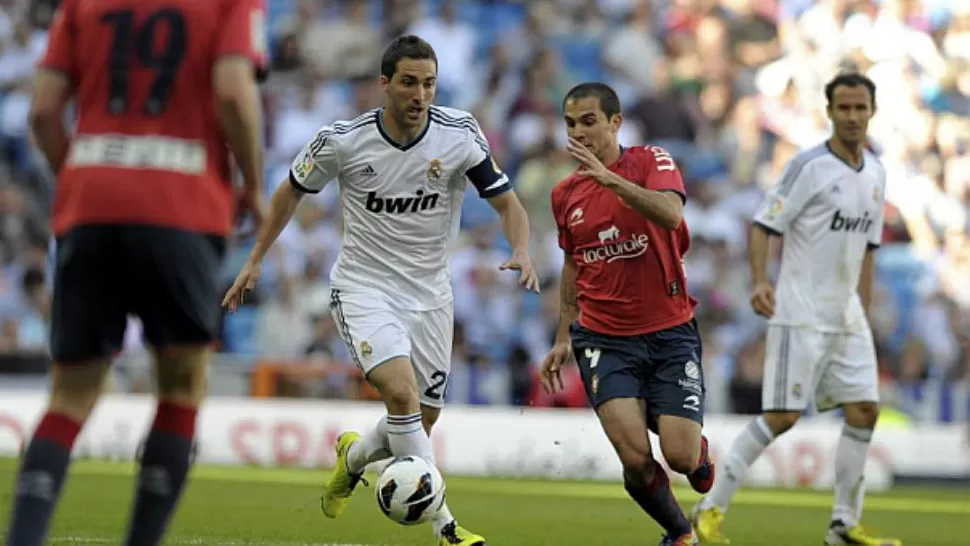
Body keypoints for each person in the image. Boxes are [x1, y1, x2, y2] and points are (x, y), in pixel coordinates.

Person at [222, 34, 538, 546]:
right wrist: (255, 258)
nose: (420, 95)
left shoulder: (460, 134)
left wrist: (521, 248)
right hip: (364, 286)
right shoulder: (343, 140)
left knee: (419, 417)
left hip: (431, 295)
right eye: (409, 83)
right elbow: (289, 192)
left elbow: (507, 202)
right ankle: (447, 528)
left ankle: (352, 458)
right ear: (384, 84)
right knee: (402, 393)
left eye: (429, 84)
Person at [4, 0, 268, 545]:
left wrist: (84, 180)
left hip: (91, 200)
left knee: (70, 394)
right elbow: (233, 90)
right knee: (181, 383)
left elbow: (43, 112)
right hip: (184, 200)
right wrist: (253, 184)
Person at [691, 73, 901, 546]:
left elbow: (867, 251)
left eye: (859, 108)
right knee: (783, 416)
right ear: (830, 112)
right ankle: (709, 509)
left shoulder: (876, 173)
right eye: (843, 108)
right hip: (800, 311)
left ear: (872, 111)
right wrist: (763, 281)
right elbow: (764, 224)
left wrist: (862, 313)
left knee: (865, 409)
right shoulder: (809, 166)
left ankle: (843, 525)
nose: (851, 116)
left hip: (846, 315)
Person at [540, 82, 714, 546]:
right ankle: (679, 534)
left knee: (678, 456)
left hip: (669, 331)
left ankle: (696, 452)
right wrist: (562, 337)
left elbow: (672, 215)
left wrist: (610, 179)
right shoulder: (564, 195)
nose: (579, 133)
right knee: (636, 459)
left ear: (616, 122)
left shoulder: (650, 161)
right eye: (571, 124)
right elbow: (573, 263)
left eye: (589, 122)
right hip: (604, 339)